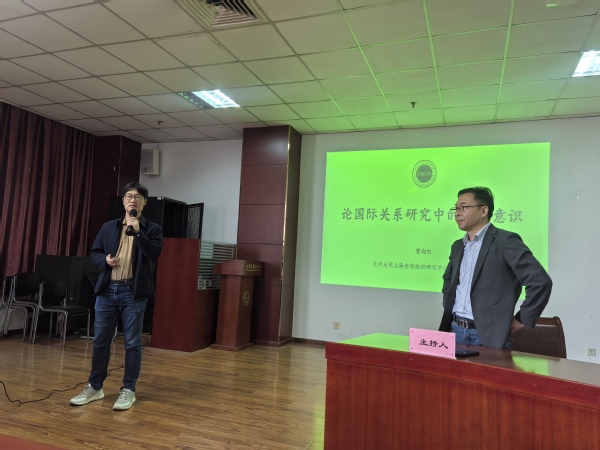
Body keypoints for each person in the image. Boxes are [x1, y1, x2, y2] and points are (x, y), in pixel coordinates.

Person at [70, 182, 163, 410]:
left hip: (133, 293)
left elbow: (154, 253)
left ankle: (128, 389)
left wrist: (138, 231)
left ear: (144, 202)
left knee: (132, 343)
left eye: (138, 197)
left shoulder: (152, 229)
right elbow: (94, 253)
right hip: (107, 291)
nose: (133, 200)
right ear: (123, 201)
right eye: (129, 196)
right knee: (100, 340)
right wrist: (105, 260)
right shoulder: (108, 227)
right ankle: (95, 387)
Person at [439, 186, 552, 349]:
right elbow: (448, 281)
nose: (457, 213)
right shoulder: (458, 246)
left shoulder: (505, 241)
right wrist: (449, 303)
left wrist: (522, 319)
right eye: (456, 208)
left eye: (463, 207)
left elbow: (540, 282)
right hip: (455, 330)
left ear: (484, 210)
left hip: (489, 336)